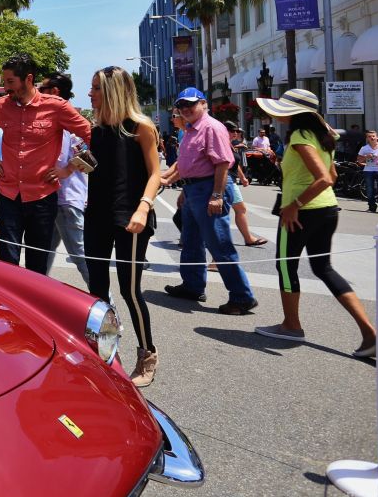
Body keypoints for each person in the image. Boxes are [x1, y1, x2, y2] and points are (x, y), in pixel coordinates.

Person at [253, 89, 376, 357]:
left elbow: (324, 177)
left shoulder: (300, 136)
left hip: (302, 211)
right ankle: (368, 330)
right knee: (323, 267)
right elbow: (331, 174)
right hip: (327, 208)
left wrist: (293, 206)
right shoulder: (324, 136)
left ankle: (291, 325)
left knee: (286, 266)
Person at [83, 67, 163, 387]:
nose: (90, 95)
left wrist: (143, 208)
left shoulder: (141, 127)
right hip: (97, 216)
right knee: (97, 291)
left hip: (131, 218)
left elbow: (155, 173)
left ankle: (148, 355)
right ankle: (103, 353)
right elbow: (97, 166)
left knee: (130, 290)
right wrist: (69, 166)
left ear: (114, 91)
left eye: (95, 89)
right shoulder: (97, 129)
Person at [0, 53, 91, 273]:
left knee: (37, 263)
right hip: (8, 194)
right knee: (7, 259)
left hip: (42, 197)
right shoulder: (1, 106)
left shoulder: (56, 107)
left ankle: (30, 306)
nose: (6, 88)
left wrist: (69, 169)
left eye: (11, 82)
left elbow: (91, 136)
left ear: (28, 79)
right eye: (5, 82)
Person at [161, 87, 259, 314]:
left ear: (203, 104)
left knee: (219, 244)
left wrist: (216, 195)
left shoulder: (211, 127)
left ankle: (242, 296)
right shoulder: (191, 129)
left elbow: (223, 163)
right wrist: (182, 188)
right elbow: (189, 163)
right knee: (191, 241)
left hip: (207, 189)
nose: (185, 109)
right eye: (181, 105)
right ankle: (193, 286)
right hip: (194, 189)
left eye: (190, 104)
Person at [39, 73, 90, 285]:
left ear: (54, 92)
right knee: (43, 253)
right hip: (53, 199)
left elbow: (90, 154)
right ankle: (34, 297)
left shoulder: (68, 120)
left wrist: (67, 170)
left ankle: (107, 305)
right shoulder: (55, 118)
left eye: (42, 90)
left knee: (81, 256)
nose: (38, 94)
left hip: (67, 201)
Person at [225, 121, 268, 246]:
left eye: (237, 131)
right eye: (232, 131)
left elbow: (234, 163)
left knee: (239, 209)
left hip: (231, 180)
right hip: (225, 181)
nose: (235, 133)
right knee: (222, 214)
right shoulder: (222, 143)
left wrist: (243, 177)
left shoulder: (230, 144)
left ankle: (248, 238)